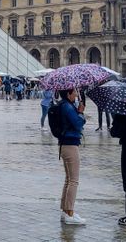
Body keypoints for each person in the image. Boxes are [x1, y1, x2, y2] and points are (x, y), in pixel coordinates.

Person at [57, 88, 86, 225]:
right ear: (68, 94)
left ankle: (65, 211)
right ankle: (69, 213)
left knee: (68, 180)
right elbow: (78, 124)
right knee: (74, 180)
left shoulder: (65, 105)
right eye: (74, 92)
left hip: (65, 145)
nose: (76, 94)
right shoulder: (68, 108)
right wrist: (80, 112)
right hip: (70, 145)